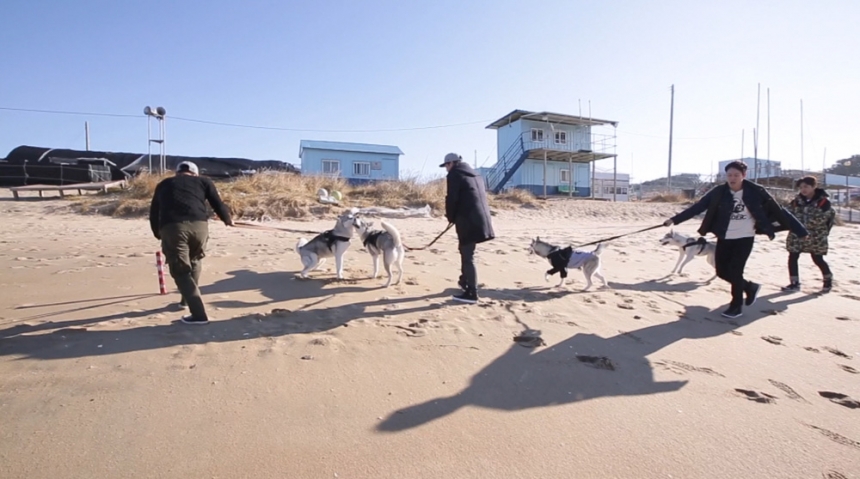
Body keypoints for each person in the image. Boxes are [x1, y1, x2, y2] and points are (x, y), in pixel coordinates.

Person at [663, 161, 808, 318]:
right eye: (729, 175)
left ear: (743, 176)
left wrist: (800, 230)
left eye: (736, 175)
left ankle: (736, 305)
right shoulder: (719, 192)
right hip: (724, 237)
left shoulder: (755, 191)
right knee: (721, 271)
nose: (732, 178)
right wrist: (674, 220)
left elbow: (778, 210)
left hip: (745, 238)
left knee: (736, 271)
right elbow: (698, 207)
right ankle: (749, 287)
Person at [149, 161, 233, 324]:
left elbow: (154, 211)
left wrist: (157, 233)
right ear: (195, 173)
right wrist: (227, 219)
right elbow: (217, 202)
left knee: (180, 270)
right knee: (195, 261)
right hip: (200, 227)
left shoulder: (164, 184)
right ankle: (185, 300)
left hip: (173, 227)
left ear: (177, 173)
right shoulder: (204, 181)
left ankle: (198, 315)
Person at [441, 152, 495, 304]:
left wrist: (450, 217)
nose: (446, 169)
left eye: (446, 165)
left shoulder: (454, 174)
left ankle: (472, 293)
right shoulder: (475, 174)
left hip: (468, 220)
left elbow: (451, 198)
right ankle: (464, 281)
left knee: (467, 255)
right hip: (482, 219)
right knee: (466, 251)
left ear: (451, 163)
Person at [782, 176, 835, 292]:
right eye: (801, 187)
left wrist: (801, 225)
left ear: (814, 187)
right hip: (796, 235)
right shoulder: (796, 201)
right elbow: (787, 214)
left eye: (806, 186)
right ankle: (794, 283)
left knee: (817, 258)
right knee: (793, 256)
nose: (803, 189)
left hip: (816, 236)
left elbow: (822, 218)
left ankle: (828, 280)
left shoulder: (823, 202)